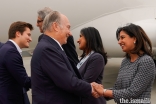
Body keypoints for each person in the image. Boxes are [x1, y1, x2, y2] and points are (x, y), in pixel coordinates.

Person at [31, 11, 97, 104]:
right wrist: (91, 88)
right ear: (56, 26)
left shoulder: (51, 46)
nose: (70, 33)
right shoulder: (47, 49)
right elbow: (68, 82)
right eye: (68, 27)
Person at [92, 23, 156, 104]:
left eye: (122, 37)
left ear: (134, 38)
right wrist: (98, 93)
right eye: (119, 39)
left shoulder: (146, 61)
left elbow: (133, 92)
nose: (119, 42)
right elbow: (118, 89)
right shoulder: (125, 61)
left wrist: (103, 91)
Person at [0, 21, 33, 104]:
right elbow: (25, 81)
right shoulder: (11, 52)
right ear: (18, 33)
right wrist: (45, 79)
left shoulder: (6, 49)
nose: (30, 39)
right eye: (28, 34)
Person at [77, 27, 107, 104]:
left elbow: (86, 82)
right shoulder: (85, 57)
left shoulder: (97, 57)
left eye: (81, 36)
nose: (78, 40)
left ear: (89, 38)